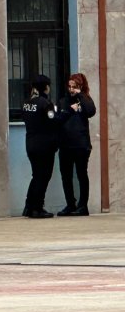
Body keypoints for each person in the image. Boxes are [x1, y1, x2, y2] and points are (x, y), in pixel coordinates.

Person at [56, 72, 97, 216]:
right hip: (65, 145)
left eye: (75, 86)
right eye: (70, 86)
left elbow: (91, 111)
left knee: (81, 174)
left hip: (81, 145)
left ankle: (83, 206)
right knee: (66, 176)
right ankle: (70, 204)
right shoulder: (63, 101)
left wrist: (81, 95)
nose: (71, 89)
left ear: (81, 86)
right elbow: (58, 120)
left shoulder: (85, 100)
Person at [21, 75, 60, 219]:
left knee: (36, 176)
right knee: (43, 177)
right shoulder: (45, 103)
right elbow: (53, 120)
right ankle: (38, 208)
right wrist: (62, 115)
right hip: (45, 145)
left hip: (31, 144)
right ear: (46, 87)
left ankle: (29, 207)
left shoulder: (27, 102)